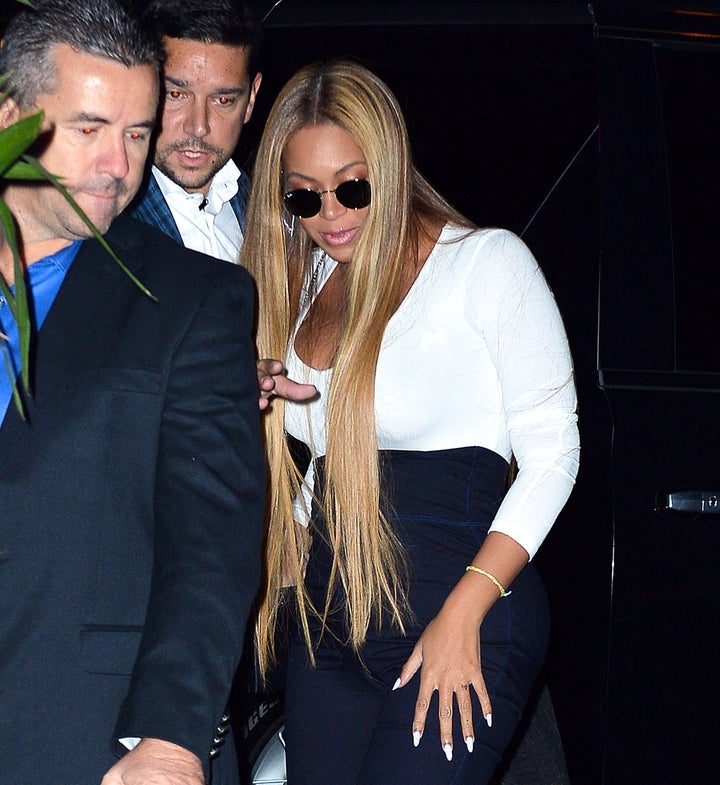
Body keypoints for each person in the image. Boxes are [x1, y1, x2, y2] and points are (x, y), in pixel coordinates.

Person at [241, 59, 580, 785]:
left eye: (352, 187)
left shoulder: (484, 265)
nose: (330, 215)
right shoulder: (305, 290)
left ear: (391, 165)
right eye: (305, 197)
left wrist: (465, 616)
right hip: (332, 630)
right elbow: (332, 458)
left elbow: (553, 449)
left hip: (460, 610)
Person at [0, 2, 265, 784]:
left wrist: (172, 736)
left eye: (137, 134)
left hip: (86, 739)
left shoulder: (193, 298)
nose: (119, 165)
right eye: (88, 129)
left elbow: (211, 541)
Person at [127, 0, 262, 262]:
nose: (198, 127)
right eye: (176, 94)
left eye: (222, 100)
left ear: (251, 99)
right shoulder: (105, 218)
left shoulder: (266, 208)